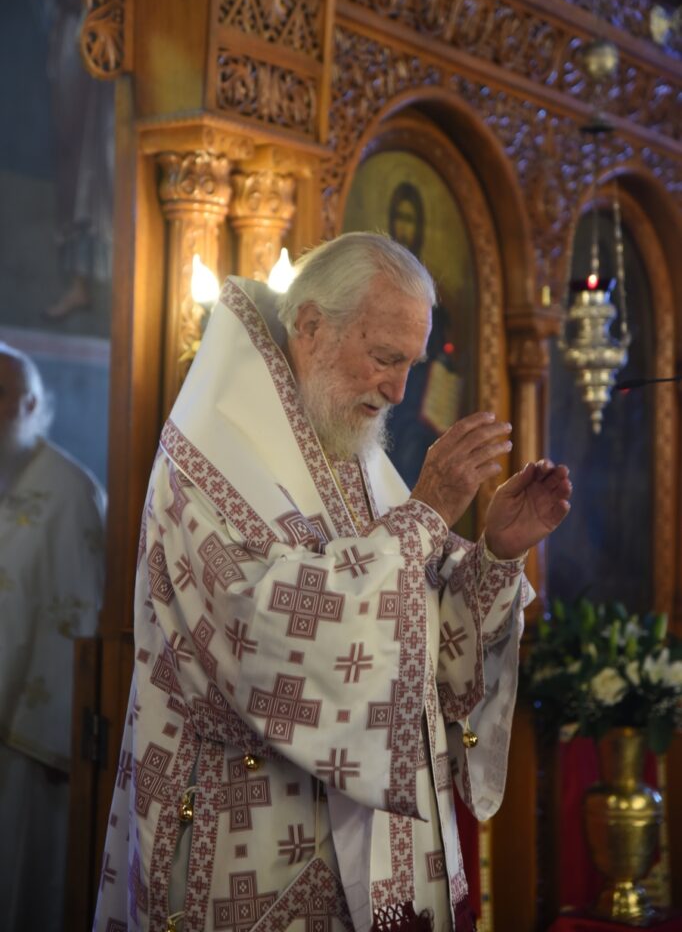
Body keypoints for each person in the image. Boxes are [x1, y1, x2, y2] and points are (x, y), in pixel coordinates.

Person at [93, 232, 571, 932]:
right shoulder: (209, 455)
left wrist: (495, 555)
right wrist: (426, 513)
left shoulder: (347, 445)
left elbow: (418, 632)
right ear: (313, 326)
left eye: (410, 364)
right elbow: (264, 635)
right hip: (251, 838)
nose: (399, 390)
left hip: (373, 854)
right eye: (385, 358)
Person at [0, 344, 106, 931]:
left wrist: (54, 730)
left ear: (31, 403)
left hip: (26, 739)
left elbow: (83, 616)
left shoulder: (70, 493)